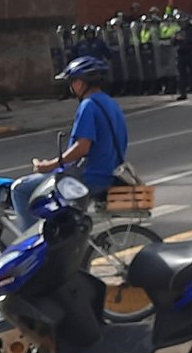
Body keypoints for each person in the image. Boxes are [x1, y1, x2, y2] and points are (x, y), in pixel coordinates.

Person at [11, 55, 128, 237]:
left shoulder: (88, 105)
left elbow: (82, 147)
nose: (71, 87)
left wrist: (48, 166)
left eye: (72, 82)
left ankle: (31, 245)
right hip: (108, 174)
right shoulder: (111, 104)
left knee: (19, 189)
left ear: (80, 83)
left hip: (87, 178)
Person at [175, 14, 192, 100]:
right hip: (181, 54)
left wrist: (185, 40)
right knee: (181, 75)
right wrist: (175, 39)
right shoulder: (179, 30)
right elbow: (173, 42)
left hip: (190, 54)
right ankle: (183, 93)